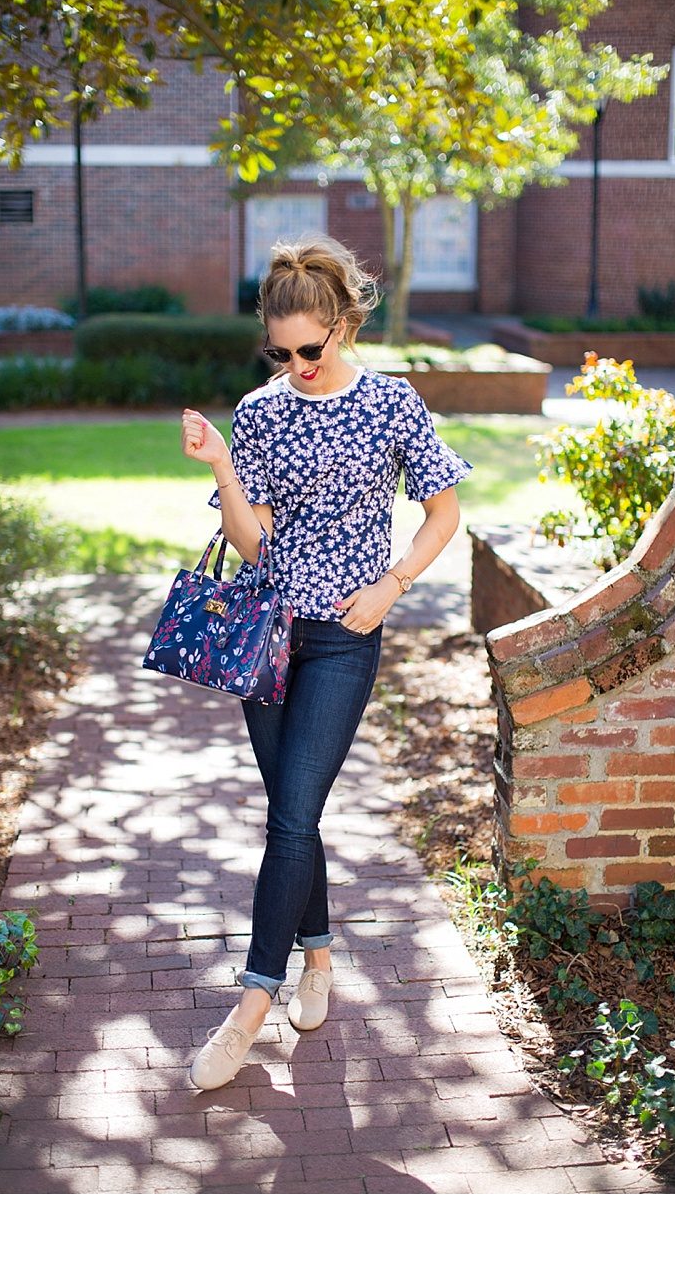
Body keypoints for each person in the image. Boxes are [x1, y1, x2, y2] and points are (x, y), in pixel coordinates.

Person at [180, 234, 472, 1091]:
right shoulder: (262, 411)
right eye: (283, 351)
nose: (299, 363)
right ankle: (317, 959)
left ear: (344, 323)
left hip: (347, 636)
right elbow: (247, 537)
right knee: (291, 815)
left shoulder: (392, 403)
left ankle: (249, 1006)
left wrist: (394, 582)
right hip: (268, 633)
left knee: (289, 816)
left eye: (312, 346)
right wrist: (225, 465)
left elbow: (443, 513)